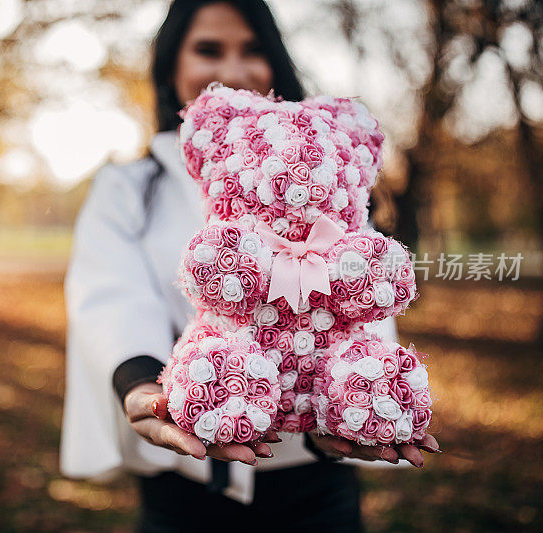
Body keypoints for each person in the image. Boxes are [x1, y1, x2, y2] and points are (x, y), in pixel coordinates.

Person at [60, 1, 440, 530]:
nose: (234, 72)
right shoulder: (127, 188)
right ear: (171, 64)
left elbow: (360, 311)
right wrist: (144, 384)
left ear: (276, 61)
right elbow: (109, 300)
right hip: (182, 485)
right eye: (208, 50)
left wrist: (329, 412)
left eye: (253, 50)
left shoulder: (324, 174)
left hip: (313, 483)